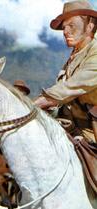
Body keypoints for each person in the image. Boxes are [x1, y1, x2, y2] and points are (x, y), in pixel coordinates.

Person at [34, 0, 97, 144]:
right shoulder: (75, 56)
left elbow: (70, 87)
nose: (65, 32)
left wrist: (33, 105)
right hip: (70, 127)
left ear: (89, 26)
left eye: (71, 26)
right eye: (64, 27)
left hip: (91, 132)